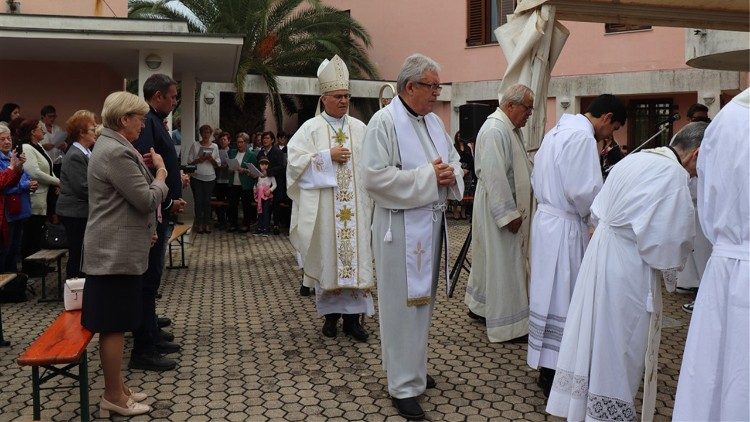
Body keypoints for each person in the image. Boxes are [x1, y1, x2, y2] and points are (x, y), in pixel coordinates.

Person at [546, 123, 704, 421]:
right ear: (695, 155)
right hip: (628, 267)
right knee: (621, 342)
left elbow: (597, 209)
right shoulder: (673, 176)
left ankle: (584, 406)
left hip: (600, 255)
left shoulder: (636, 157)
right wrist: (677, 263)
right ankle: (605, 413)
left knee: (595, 333)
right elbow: (669, 240)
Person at [362, 53, 464, 420]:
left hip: (429, 226)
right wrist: (428, 178)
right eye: (431, 86)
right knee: (400, 307)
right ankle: (402, 387)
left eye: (438, 86)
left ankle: (412, 371)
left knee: (422, 305)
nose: (437, 93)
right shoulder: (383, 122)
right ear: (409, 87)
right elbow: (374, 178)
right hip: (398, 230)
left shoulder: (435, 123)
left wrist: (452, 174)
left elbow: (452, 160)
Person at [528, 94, 626, 397]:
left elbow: (537, 176)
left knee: (547, 291)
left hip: (546, 221)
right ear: (606, 118)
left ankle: (547, 363)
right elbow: (583, 191)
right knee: (564, 294)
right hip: (566, 227)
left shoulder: (556, 131)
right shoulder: (583, 138)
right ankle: (556, 370)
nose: (611, 137)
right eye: (614, 128)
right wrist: (598, 215)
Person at [82, 91, 168, 417]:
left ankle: (117, 388)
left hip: (116, 253)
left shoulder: (114, 147)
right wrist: (160, 175)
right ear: (123, 120)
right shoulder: (115, 152)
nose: (143, 123)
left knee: (116, 324)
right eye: (139, 118)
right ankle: (112, 396)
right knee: (114, 326)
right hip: (112, 256)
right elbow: (146, 199)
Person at [673, 88, 749, 421]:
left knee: (714, 365)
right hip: (732, 253)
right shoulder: (725, 122)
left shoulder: (725, 122)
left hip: (723, 255)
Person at [287, 55, 374, 342]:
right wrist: (327, 157)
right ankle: (330, 319)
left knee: (354, 264)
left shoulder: (361, 129)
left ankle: (353, 321)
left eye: (347, 96)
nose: (343, 101)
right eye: (338, 96)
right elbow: (294, 162)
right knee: (328, 262)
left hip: (357, 211)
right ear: (324, 98)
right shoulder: (311, 129)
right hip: (326, 211)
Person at [464, 84, 534, 343]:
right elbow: (494, 175)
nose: (529, 114)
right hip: (499, 205)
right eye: (527, 108)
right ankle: (509, 326)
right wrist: (509, 215)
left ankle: (480, 307)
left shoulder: (508, 127)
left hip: (497, 201)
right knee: (505, 263)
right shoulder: (495, 129)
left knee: (488, 260)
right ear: (511, 105)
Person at [130, 73, 187, 372]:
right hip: (156, 212)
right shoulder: (148, 124)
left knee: (152, 281)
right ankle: (144, 347)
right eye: (173, 96)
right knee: (148, 281)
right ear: (157, 97)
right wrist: (167, 201)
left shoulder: (155, 122)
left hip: (163, 209)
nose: (175, 101)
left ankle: (151, 332)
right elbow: (147, 171)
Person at [56, 110, 97, 279]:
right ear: (81, 133)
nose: (95, 132)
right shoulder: (75, 155)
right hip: (75, 212)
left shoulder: (85, 152)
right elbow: (82, 187)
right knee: (77, 252)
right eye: (92, 129)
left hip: (81, 211)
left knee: (81, 251)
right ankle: (74, 288)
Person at [18, 119, 61, 275]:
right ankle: (29, 266)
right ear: (32, 132)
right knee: (31, 233)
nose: (43, 131)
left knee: (38, 232)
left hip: (44, 195)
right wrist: (58, 181)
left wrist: (56, 182)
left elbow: (48, 167)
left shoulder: (39, 146)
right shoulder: (27, 148)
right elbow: (34, 172)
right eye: (40, 129)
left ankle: (38, 264)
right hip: (34, 197)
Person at [0, 124, 35, 276]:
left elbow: (23, 177)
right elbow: (4, 186)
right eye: (2, 139)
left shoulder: (11, 156)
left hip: (18, 209)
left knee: (14, 250)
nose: (7, 142)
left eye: (9, 138)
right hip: (6, 210)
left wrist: (20, 167)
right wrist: (26, 185)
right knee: (5, 251)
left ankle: (13, 287)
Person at [187, 125, 220, 234]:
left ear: (210, 134)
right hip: (197, 177)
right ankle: (199, 224)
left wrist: (211, 159)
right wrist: (199, 159)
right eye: (203, 132)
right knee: (198, 201)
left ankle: (207, 224)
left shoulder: (214, 146)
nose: (205, 135)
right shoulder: (195, 145)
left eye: (207, 132)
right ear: (200, 134)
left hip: (210, 177)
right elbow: (189, 162)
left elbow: (217, 164)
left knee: (207, 201)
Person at [255, 131, 285, 235]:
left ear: (272, 140)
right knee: (264, 205)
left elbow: (281, 167)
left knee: (275, 203)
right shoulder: (260, 152)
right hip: (263, 183)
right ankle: (263, 225)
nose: (265, 140)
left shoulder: (277, 152)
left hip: (275, 181)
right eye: (263, 138)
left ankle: (276, 224)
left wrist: (268, 172)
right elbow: (257, 164)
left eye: (267, 138)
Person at [227, 132, 257, 232]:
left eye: (241, 142)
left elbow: (254, 172)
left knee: (246, 205)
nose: (239, 144)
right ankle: (233, 224)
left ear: (246, 143)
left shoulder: (251, 155)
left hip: (245, 184)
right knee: (232, 205)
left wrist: (244, 170)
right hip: (234, 182)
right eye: (238, 142)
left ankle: (246, 224)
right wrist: (230, 168)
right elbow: (229, 165)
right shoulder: (232, 152)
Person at [39, 105, 67, 176]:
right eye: (50, 116)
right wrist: (43, 147)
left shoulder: (57, 128)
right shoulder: (38, 128)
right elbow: (32, 145)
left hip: (58, 163)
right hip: (45, 163)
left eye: (54, 116)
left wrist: (63, 146)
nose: (52, 119)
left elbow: (63, 144)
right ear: (43, 117)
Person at [253, 158, 276, 236]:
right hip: (259, 197)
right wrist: (255, 189)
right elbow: (256, 184)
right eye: (262, 164)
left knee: (266, 212)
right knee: (260, 212)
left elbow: (275, 185)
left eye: (266, 164)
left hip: (267, 197)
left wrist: (270, 190)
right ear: (259, 165)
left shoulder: (270, 175)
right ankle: (259, 228)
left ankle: (266, 229)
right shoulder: (258, 175)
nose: (264, 166)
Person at [214, 131, 231, 229]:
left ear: (229, 141)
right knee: (219, 201)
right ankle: (221, 221)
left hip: (228, 180)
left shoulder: (231, 151)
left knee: (228, 201)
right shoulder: (217, 151)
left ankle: (228, 220)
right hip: (218, 179)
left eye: (224, 139)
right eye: (221, 139)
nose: (222, 141)